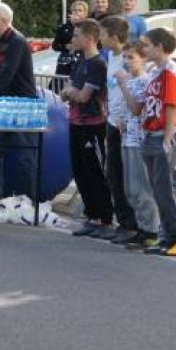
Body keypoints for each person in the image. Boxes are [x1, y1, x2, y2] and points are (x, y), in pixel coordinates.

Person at [118, 28, 176, 256]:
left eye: (147, 45)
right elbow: (140, 105)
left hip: (163, 133)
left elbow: (172, 105)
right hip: (150, 133)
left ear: (160, 47)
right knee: (156, 188)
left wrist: (168, 138)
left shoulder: (171, 72)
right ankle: (168, 236)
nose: (144, 49)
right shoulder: (155, 71)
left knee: (163, 189)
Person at [61, 19, 115, 237]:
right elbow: (68, 90)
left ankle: (105, 218)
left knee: (94, 172)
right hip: (75, 122)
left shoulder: (97, 64)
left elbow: (83, 95)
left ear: (89, 38)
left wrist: (72, 92)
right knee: (80, 171)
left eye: (77, 36)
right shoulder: (80, 62)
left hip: (92, 124)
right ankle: (92, 215)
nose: (73, 39)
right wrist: (71, 92)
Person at [0, 3, 38, 198]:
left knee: (25, 156)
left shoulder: (17, 41)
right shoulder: (1, 40)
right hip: (5, 102)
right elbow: (1, 76)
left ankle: (30, 202)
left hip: (23, 104)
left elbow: (7, 75)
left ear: (4, 21)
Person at [115, 42, 159, 250]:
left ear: (143, 58)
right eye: (124, 57)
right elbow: (127, 110)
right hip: (128, 138)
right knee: (130, 188)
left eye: (131, 57)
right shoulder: (131, 80)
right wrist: (121, 121)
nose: (126, 61)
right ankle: (142, 228)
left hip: (140, 140)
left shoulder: (143, 81)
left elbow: (136, 108)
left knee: (141, 187)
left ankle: (151, 230)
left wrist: (123, 84)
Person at [99, 16, 139, 243]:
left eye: (103, 34)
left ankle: (132, 224)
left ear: (114, 37)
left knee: (126, 175)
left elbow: (131, 89)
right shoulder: (112, 57)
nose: (100, 39)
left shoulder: (127, 58)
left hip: (125, 124)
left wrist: (124, 117)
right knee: (113, 173)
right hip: (113, 121)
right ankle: (123, 221)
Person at [52, 0, 88, 79]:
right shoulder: (63, 27)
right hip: (65, 63)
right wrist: (65, 47)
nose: (77, 13)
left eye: (80, 10)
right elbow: (54, 46)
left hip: (81, 60)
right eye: (74, 10)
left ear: (85, 14)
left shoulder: (88, 28)